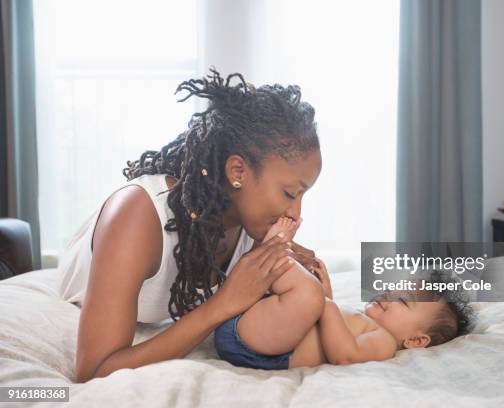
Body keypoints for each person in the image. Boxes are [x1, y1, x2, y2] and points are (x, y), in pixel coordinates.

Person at [56, 68, 323, 383]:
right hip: (75, 289)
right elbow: (94, 370)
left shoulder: (252, 226)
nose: (296, 213)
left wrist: (312, 295)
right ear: (237, 171)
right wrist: (223, 304)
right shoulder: (137, 216)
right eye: (290, 193)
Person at [214, 217, 473, 370]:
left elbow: (345, 355)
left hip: (263, 348)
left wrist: (324, 303)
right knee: (306, 291)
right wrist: (326, 296)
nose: (387, 294)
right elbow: (328, 329)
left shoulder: (384, 341)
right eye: (392, 288)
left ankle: (272, 249)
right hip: (256, 327)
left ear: (416, 341)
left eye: (402, 300)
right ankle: (268, 256)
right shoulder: (366, 321)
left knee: (305, 292)